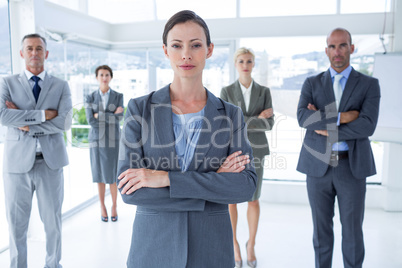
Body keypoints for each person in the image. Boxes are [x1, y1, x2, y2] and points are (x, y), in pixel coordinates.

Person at [116, 10, 257, 268]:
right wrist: (215, 180)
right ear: (165, 50)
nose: (186, 54)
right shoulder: (140, 109)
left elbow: (245, 186)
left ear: (209, 49)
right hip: (153, 250)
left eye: (195, 45)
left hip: (211, 251)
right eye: (177, 45)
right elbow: (129, 190)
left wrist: (164, 178)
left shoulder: (230, 114)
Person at [296, 28, 380, 268]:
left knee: (353, 233)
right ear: (326, 51)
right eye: (332, 47)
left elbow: (367, 125)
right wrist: (344, 116)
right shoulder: (312, 83)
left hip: (351, 168)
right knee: (321, 233)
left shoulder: (369, 84)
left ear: (352, 48)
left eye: (342, 45)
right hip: (317, 167)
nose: (337, 51)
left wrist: (325, 124)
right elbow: (304, 118)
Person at [0, 33, 72, 268]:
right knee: (16, 224)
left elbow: (64, 122)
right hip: (16, 166)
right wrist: (42, 116)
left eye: (39, 49)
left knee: (52, 223)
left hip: (50, 164)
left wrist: (25, 124)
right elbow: (3, 115)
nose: (34, 53)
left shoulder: (61, 85)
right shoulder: (6, 83)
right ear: (22, 53)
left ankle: (53, 265)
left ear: (46, 53)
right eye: (29, 48)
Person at [221, 47, 274, 268]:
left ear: (253, 65)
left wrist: (244, 120)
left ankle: (250, 244)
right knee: (232, 200)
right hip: (233, 151)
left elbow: (269, 124)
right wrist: (257, 118)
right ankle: (234, 244)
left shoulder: (264, 92)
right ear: (236, 64)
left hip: (258, 151)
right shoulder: (226, 91)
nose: (245, 65)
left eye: (249, 61)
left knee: (253, 199)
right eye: (241, 61)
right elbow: (226, 124)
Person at [85, 65, 124, 222]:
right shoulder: (90, 97)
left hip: (113, 140)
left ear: (111, 77)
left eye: (107, 74)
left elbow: (120, 118)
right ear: (97, 77)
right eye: (101, 75)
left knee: (113, 175)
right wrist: (110, 115)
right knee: (99, 175)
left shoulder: (118, 96)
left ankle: (115, 206)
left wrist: (99, 115)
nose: (104, 77)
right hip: (96, 141)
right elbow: (90, 120)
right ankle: (102, 207)